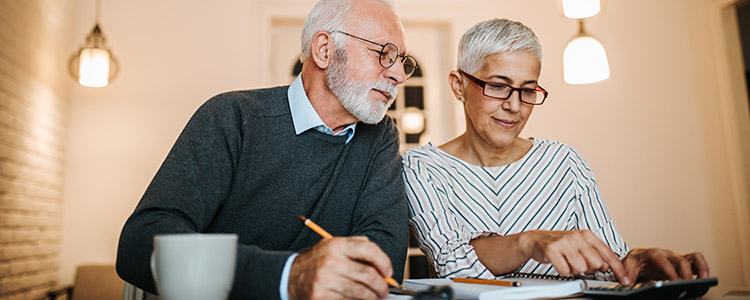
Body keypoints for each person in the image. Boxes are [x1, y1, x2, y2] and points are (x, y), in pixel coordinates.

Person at [116, 0, 418, 299]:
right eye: (384, 54)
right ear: (324, 50)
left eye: (401, 60)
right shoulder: (232, 117)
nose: (399, 75)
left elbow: (382, 266)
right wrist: (288, 276)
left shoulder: (380, 137)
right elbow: (140, 246)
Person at [402, 18, 709, 285]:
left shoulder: (565, 162)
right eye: (498, 85)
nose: (514, 105)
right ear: (458, 86)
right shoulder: (422, 167)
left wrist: (637, 263)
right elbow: (454, 266)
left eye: (528, 90)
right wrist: (528, 242)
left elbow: (607, 268)